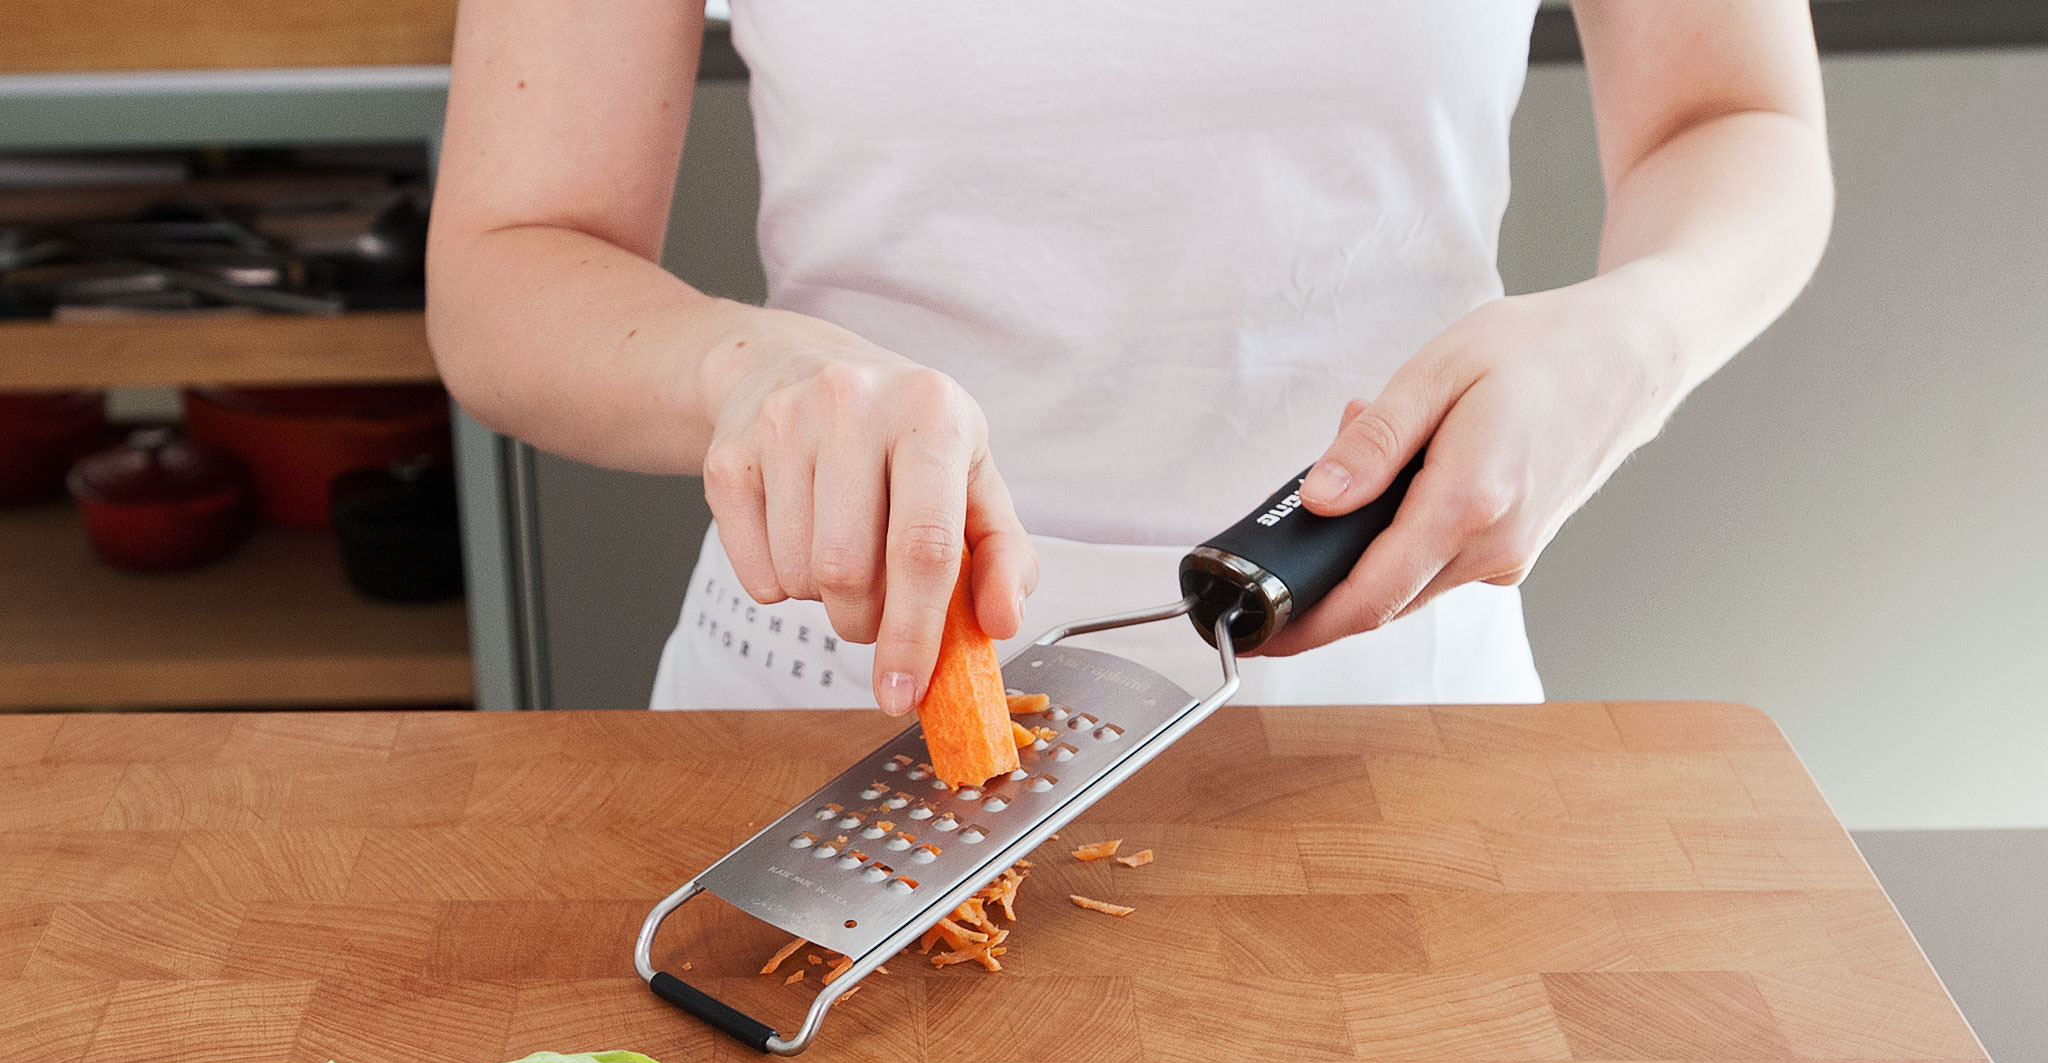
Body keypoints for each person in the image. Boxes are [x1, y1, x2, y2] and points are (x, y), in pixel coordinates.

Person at [427, 2, 1832, 713]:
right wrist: (744, 373)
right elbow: (508, 256)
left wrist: (1631, 333)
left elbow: (1734, 116)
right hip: (840, 703)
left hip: (1386, 705)